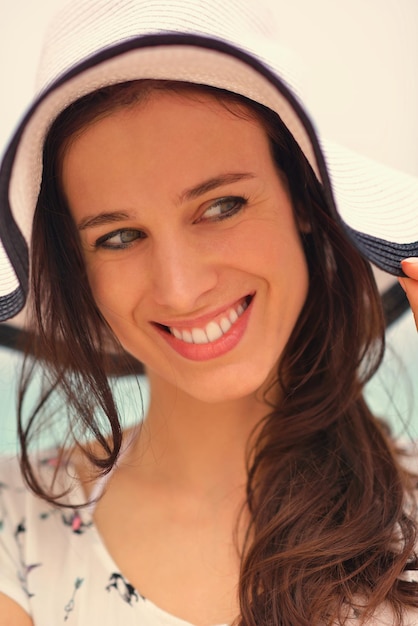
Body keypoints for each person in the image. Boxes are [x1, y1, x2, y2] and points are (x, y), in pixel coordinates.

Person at [0, 1, 417, 624]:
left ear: (305, 199)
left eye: (221, 206)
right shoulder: (15, 524)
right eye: (118, 236)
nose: (180, 289)